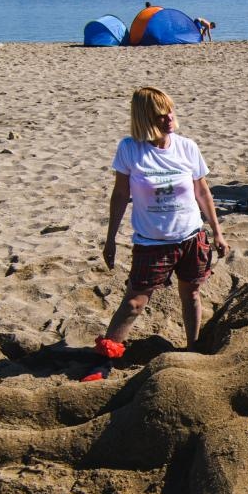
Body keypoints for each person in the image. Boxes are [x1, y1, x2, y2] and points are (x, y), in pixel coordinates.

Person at [91, 86, 229, 378]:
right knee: (134, 302)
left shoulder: (187, 147)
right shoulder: (130, 149)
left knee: (190, 293)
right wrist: (110, 238)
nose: (169, 117)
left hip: (191, 237)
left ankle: (193, 350)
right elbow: (119, 195)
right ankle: (104, 360)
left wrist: (217, 231)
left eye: (170, 110)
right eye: (160, 113)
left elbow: (202, 192)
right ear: (144, 118)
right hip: (152, 243)